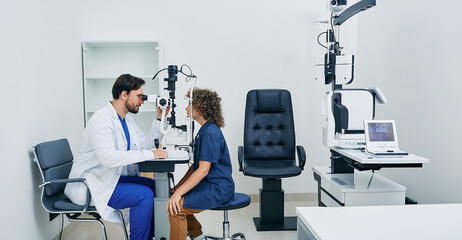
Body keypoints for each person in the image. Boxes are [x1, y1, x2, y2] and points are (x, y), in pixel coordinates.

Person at [64, 74, 168, 240]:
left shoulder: (127, 121)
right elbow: (108, 158)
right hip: (92, 184)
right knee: (144, 195)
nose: (142, 101)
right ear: (124, 95)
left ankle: (150, 236)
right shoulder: (101, 120)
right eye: (139, 96)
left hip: (110, 179)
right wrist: (151, 154)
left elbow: (146, 145)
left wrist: (159, 118)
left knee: (156, 188)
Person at [167, 88, 235, 240]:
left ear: (200, 107)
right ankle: (198, 237)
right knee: (177, 200)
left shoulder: (210, 133)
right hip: (210, 184)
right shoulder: (205, 130)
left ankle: (196, 235)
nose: (186, 107)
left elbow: (203, 171)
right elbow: (195, 167)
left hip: (218, 188)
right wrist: (177, 189)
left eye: (190, 103)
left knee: (175, 208)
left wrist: (177, 194)